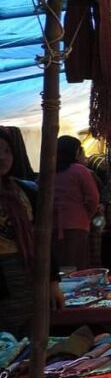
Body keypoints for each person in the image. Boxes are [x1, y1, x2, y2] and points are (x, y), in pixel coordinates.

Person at [0, 128, 63, 336]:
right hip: (4, 280)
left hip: (29, 276)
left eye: (8, 151)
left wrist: (52, 281)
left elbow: (43, 239)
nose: (3, 157)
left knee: (32, 340)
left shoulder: (25, 191)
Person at [53, 135, 100, 270]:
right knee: (77, 266)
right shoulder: (79, 170)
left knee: (60, 265)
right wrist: (86, 216)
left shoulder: (49, 170)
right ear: (75, 151)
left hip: (53, 225)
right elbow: (93, 198)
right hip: (76, 225)